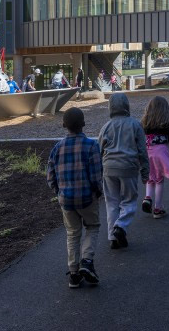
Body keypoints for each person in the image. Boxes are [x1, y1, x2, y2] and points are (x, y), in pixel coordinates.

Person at [47, 107, 103, 289]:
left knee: (72, 234)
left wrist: (58, 192)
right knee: (92, 227)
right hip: (87, 197)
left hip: (66, 200)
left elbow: (50, 176)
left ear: (63, 125)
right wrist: (98, 191)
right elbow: (96, 174)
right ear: (84, 124)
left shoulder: (57, 148)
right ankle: (87, 261)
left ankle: (73, 273)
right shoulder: (92, 146)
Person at [98, 93, 149, 249]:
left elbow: (99, 149)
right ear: (127, 106)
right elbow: (142, 150)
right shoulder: (135, 125)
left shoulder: (106, 126)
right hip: (129, 167)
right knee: (129, 200)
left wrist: (99, 171)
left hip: (109, 168)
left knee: (112, 203)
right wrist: (145, 171)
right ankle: (120, 226)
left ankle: (113, 237)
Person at [140, 96, 169, 219]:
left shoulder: (144, 122)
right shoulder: (167, 122)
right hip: (160, 152)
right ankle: (158, 208)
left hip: (147, 151)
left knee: (150, 178)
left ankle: (147, 198)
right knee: (159, 180)